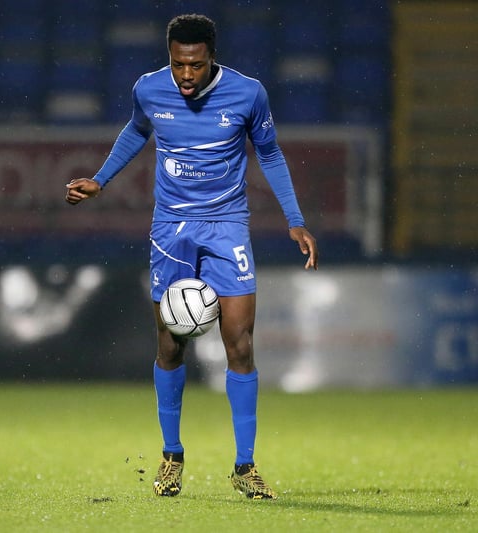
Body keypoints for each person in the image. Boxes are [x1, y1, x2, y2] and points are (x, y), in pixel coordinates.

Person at [65, 13, 319, 500]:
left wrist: (294, 218)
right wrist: (100, 179)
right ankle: (171, 456)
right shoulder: (148, 89)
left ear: (211, 59)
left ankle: (245, 465)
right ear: (169, 57)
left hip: (227, 227)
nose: (186, 75)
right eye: (178, 64)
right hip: (171, 230)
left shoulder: (248, 93)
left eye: (196, 66)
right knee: (169, 345)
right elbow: (136, 131)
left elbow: (268, 152)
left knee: (240, 344)